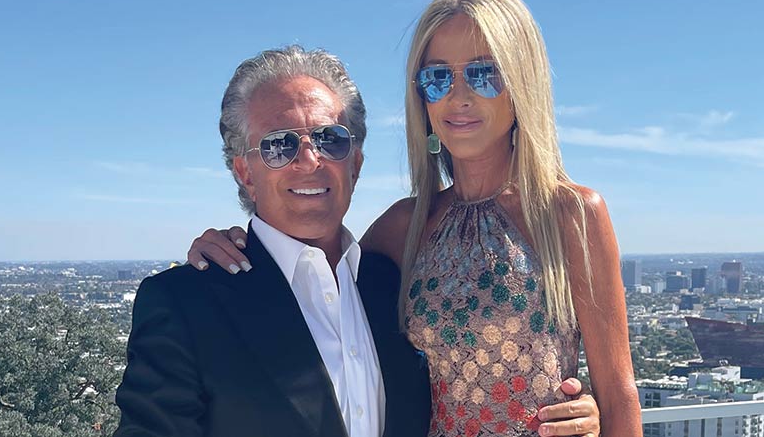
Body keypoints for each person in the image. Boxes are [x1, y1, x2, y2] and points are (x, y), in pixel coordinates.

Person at [188, 0, 637, 436]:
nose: (459, 96)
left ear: (522, 85)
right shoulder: (406, 226)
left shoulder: (570, 215)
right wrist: (233, 245)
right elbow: (313, 286)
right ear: (420, 95)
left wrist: (594, 416)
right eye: (438, 77)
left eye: (484, 74)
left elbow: (619, 396)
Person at [115, 45, 600, 437]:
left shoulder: (390, 280)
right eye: (280, 145)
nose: (309, 161)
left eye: (331, 140)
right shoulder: (185, 304)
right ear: (244, 170)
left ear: (357, 162)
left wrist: (579, 414)